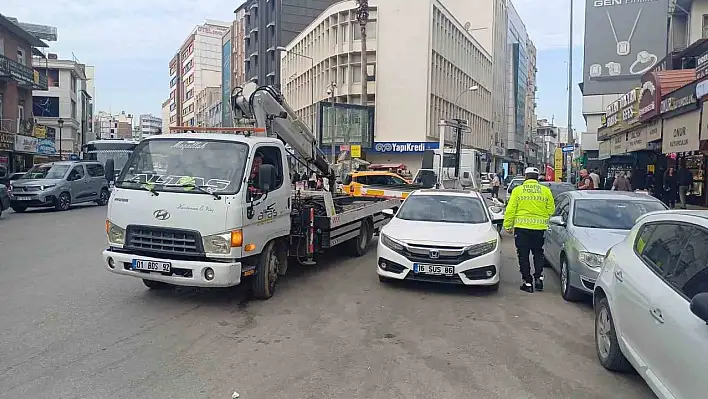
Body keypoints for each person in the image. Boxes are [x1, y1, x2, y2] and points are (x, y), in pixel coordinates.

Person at [503, 167, 555, 293]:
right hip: (539, 229)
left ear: (525, 177)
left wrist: (508, 225)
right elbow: (551, 210)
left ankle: (527, 282)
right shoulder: (545, 190)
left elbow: (511, 210)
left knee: (523, 255)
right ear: (537, 178)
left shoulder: (518, 190)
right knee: (538, 253)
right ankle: (539, 278)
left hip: (522, 229)